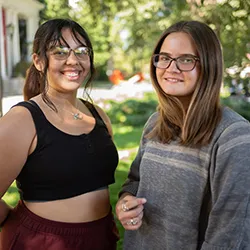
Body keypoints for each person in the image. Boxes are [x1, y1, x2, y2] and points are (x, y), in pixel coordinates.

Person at [116, 20, 250, 249]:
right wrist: (126, 203)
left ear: (209, 65)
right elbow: (135, 182)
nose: (171, 68)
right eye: (165, 57)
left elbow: (228, 237)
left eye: (186, 59)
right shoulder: (155, 123)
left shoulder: (233, 137)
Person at [0, 18, 119, 250]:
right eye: (60, 51)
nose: (73, 60)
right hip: (42, 242)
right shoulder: (23, 120)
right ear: (39, 61)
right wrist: (21, 223)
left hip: (100, 238)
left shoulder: (99, 115)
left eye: (82, 51)